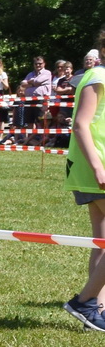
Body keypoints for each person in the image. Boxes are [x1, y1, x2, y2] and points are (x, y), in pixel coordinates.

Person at [61, 57, 105, 331]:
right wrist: (98, 167)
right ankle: (85, 301)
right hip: (95, 168)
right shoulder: (97, 77)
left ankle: (94, 311)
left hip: (93, 168)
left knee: (102, 241)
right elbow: (80, 125)